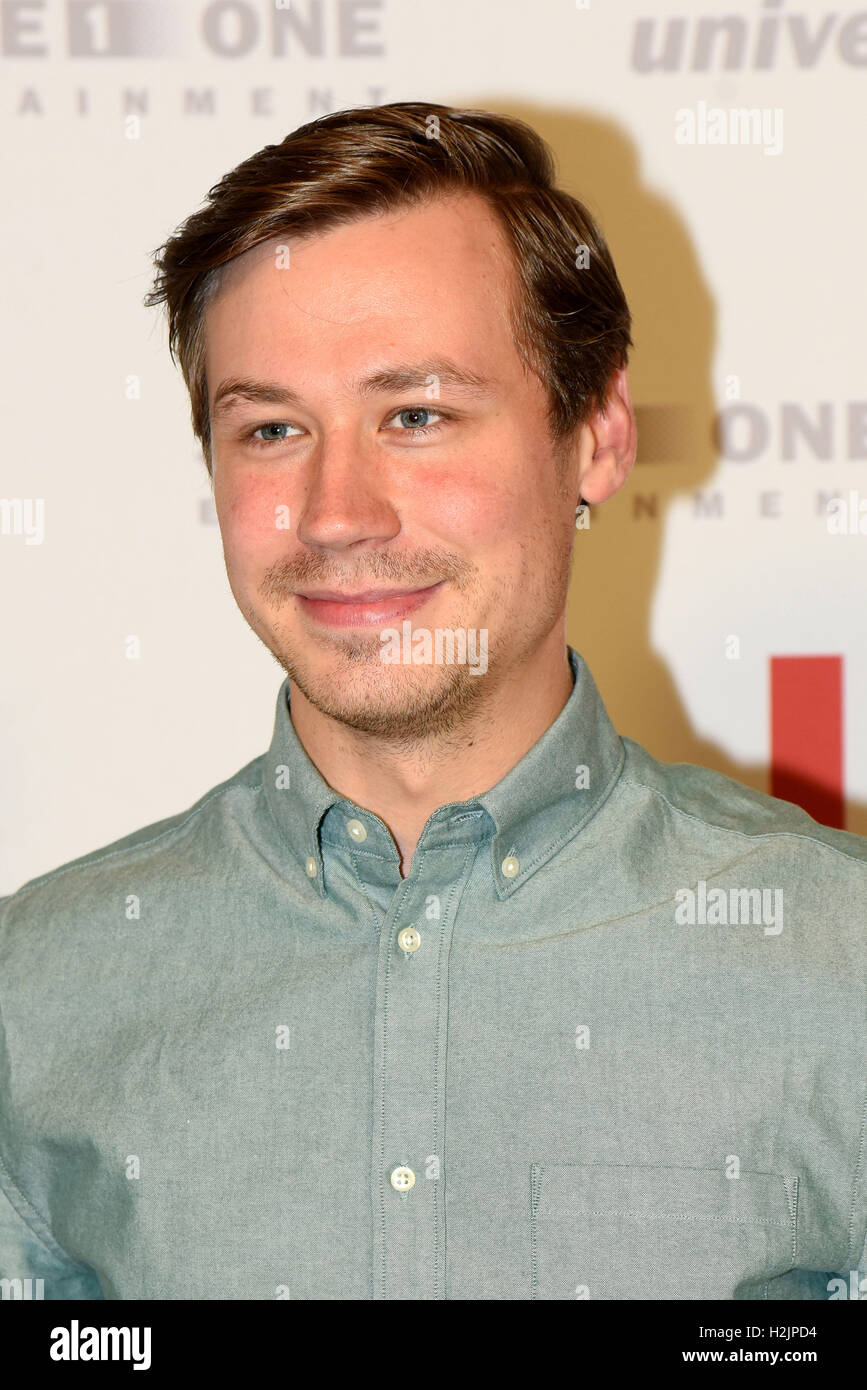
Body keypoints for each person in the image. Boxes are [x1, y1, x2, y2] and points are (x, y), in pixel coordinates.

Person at [1, 102, 864, 1302]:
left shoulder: (839, 969)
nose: (337, 510)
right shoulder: (34, 996)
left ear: (598, 436)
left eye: (416, 416)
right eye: (271, 427)